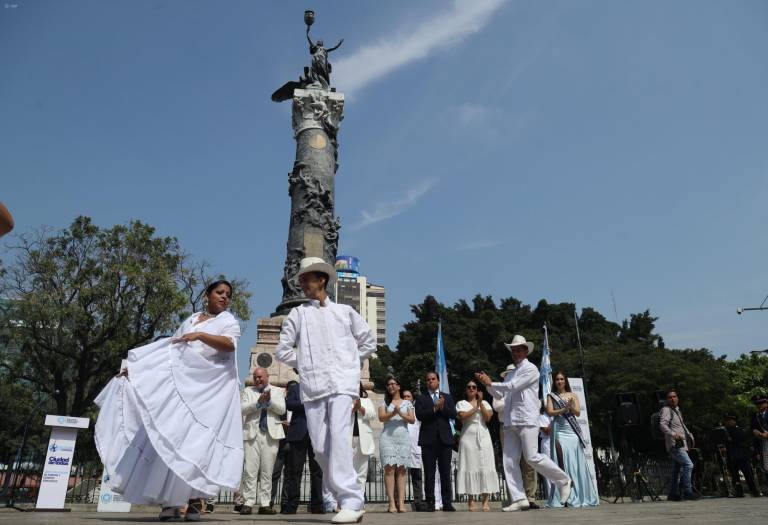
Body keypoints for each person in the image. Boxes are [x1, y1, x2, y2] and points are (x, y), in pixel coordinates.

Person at [95, 280, 243, 522]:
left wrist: (201, 335)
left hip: (208, 392)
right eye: (219, 292)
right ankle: (171, 502)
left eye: (228, 294)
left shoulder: (228, 321)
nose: (224, 297)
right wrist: (136, 368)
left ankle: (196, 500)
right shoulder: (191, 319)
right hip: (183, 389)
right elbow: (169, 352)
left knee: (197, 444)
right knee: (172, 439)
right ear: (207, 295)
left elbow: (229, 345)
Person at [275, 257, 377, 524]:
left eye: (306, 278)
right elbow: (282, 350)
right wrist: (308, 362)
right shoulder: (298, 314)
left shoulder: (345, 312)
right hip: (314, 385)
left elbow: (368, 340)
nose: (301, 282)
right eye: (300, 278)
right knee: (320, 447)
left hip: (342, 384)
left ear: (321, 280)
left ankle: (351, 500)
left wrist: (349, 361)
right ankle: (346, 494)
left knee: (339, 439)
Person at [475, 335, 571, 512]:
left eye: (520, 349)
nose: (517, 352)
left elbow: (512, 386)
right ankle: (520, 498)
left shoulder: (531, 369)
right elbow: (500, 395)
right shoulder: (511, 372)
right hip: (511, 420)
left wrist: (491, 383)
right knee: (509, 461)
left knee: (532, 457)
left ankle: (563, 480)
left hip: (527, 418)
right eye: (514, 350)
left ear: (526, 351)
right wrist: (487, 385)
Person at [544, 372, 598, 508]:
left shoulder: (573, 395)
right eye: (557, 379)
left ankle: (577, 495)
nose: (559, 381)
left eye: (562, 379)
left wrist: (571, 406)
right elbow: (550, 412)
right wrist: (563, 409)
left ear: (565, 381)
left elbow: (578, 412)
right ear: (554, 381)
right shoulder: (551, 396)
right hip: (559, 431)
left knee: (574, 462)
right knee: (561, 462)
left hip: (572, 431)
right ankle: (563, 496)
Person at [240, 367, 286, 515]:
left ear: (267, 376)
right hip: (252, 433)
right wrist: (258, 403)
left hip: (270, 434)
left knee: (267, 470)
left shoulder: (278, 391)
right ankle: (248, 502)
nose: (258, 379)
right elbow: (242, 409)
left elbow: (282, 410)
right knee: (250, 470)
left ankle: (265, 504)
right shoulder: (248, 391)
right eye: (255, 377)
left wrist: (269, 402)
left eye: (260, 377)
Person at [414, 371, 457, 512]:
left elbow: (453, 414)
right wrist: (434, 408)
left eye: (433, 379)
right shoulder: (421, 398)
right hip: (428, 440)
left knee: (445, 472)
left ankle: (447, 502)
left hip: (445, 440)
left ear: (438, 381)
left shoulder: (447, 397)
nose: (430, 381)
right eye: (428, 379)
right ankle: (430, 502)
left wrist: (443, 407)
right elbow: (420, 416)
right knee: (429, 473)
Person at [455, 380, 499, 511]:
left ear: (477, 389)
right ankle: (471, 500)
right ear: (465, 390)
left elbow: (487, 418)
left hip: (483, 436)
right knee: (470, 466)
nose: (471, 389)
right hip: (468, 437)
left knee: (485, 465)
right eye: (469, 387)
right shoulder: (461, 404)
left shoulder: (485, 403)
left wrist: (481, 404)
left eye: (474, 387)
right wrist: (476, 406)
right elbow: (463, 417)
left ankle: (485, 501)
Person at [283, 378, 324, 514]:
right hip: (298, 433)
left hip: (316, 433)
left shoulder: (319, 387)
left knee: (317, 471)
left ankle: (317, 504)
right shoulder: (295, 388)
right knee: (295, 471)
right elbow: (289, 404)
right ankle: (292, 504)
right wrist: (307, 401)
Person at [378, 377, 416, 512]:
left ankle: (401, 502)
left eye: (393, 384)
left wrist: (400, 413)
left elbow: (412, 420)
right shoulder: (384, 401)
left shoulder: (407, 402)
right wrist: (392, 413)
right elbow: (381, 418)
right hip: (387, 437)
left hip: (403, 438)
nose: (390, 386)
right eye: (388, 384)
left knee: (401, 471)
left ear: (399, 386)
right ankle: (391, 503)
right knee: (389, 470)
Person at [659, 389, 699, 501]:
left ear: (678, 398)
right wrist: (673, 434)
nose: (673, 399)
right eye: (670, 397)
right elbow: (662, 425)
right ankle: (687, 491)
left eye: (674, 396)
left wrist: (689, 434)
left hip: (682, 444)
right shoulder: (666, 410)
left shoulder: (677, 410)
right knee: (688, 465)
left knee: (676, 469)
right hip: (675, 444)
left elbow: (681, 426)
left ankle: (673, 493)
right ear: (667, 400)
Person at [722, 414, 760, 497]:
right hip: (731, 455)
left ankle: (753, 490)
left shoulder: (739, 429)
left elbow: (742, 438)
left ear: (735, 421)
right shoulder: (725, 431)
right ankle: (739, 491)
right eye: (728, 421)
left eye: (731, 420)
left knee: (748, 474)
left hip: (742, 455)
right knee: (734, 475)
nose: (729, 422)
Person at [402, 389, 426, 511]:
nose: (406, 398)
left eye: (408, 396)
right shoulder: (398, 412)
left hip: (415, 448)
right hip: (401, 448)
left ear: (412, 399)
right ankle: (399, 500)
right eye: (404, 396)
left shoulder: (417, 413)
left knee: (417, 477)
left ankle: (418, 501)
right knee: (399, 476)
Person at [352, 383, 376, 496]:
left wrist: (360, 408)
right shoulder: (344, 401)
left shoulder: (366, 400)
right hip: (348, 439)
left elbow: (372, 415)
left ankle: (360, 499)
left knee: (362, 472)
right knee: (349, 472)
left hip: (363, 439)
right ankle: (347, 499)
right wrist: (353, 409)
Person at [750, 394, 768, 492]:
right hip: (762, 443)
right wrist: (755, 432)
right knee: (766, 466)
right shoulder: (755, 416)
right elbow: (753, 428)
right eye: (757, 404)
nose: (760, 406)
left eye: (762, 403)